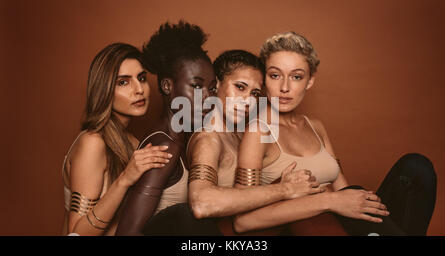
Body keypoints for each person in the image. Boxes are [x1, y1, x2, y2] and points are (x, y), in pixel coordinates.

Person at [234, 31, 437, 236]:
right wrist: (329, 201)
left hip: (340, 225)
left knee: (416, 167)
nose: (285, 87)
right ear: (264, 80)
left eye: (296, 77)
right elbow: (243, 221)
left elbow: (343, 191)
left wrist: (356, 204)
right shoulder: (259, 130)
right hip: (307, 227)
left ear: (309, 81)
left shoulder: (315, 126)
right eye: (275, 75)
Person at [138, 50, 318, 235]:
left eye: (255, 93)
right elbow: (202, 203)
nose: (248, 100)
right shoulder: (208, 138)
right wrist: (285, 189)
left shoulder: (240, 135)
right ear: (216, 84)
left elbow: (250, 196)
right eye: (240, 87)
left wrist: (283, 184)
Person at [115, 21, 217, 235]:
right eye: (196, 86)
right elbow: (127, 233)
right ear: (167, 86)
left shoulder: (182, 139)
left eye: (212, 88)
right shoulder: (164, 147)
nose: (208, 98)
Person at [62, 43, 171, 235]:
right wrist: (125, 179)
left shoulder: (133, 142)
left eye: (142, 78)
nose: (139, 89)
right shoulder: (93, 142)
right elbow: (75, 233)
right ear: (103, 89)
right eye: (123, 82)